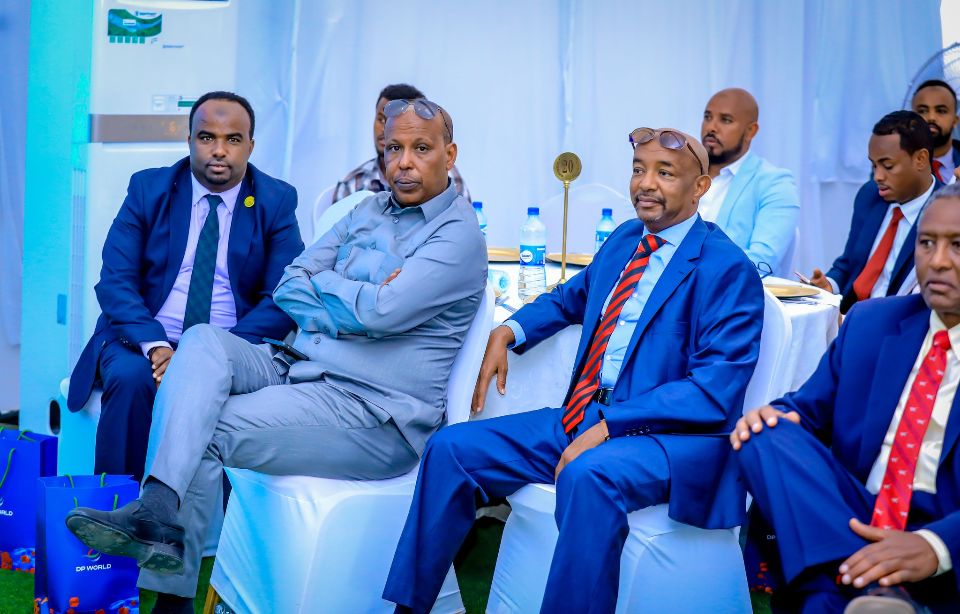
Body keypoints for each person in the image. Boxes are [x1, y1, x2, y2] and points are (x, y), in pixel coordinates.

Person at [65, 98, 487, 613]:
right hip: (297, 367)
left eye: (421, 148)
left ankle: (170, 595)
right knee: (201, 340)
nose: (404, 162)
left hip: (371, 410)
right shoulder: (368, 209)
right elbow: (290, 283)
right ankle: (157, 509)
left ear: (449, 154)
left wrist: (339, 291)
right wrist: (365, 291)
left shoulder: (458, 236)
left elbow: (382, 313)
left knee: (205, 424)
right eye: (394, 148)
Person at [383, 127, 764, 613]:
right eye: (638, 170)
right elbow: (571, 298)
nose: (645, 183)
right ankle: (411, 609)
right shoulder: (627, 239)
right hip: (588, 417)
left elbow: (713, 392)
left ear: (700, 187)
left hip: (670, 440)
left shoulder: (727, 268)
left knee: (589, 476)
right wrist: (510, 331)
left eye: (665, 173)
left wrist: (611, 426)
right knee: (451, 448)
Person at [732, 182, 960, 613]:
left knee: (822, 598)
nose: (938, 261)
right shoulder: (872, 322)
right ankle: (880, 591)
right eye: (927, 243)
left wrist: (936, 545)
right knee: (763, 432)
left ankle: (840, 588)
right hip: (853, 512)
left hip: (940, 524)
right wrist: (777, 417)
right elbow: (805, 410)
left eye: (957, 245)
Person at [66, 91, 304, 482]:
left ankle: (207, 517)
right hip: (143, 341)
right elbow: (115, 281)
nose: (219, 150)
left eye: (233, 139)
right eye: (207, 137)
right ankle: (119, 505)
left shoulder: (275, 201)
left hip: (229, 344)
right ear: (189, 140)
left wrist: (211, 355)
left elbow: (284, 296)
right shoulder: (149, 189)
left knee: (236, 398)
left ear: (250, 146)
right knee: (131, 379)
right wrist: (158, 346)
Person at [808, 111, 940, 313]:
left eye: (888, 166)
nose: (878, 176)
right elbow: (848, 262)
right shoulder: (870, 196)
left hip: (899, 321)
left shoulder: (945, 212)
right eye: (874, 165)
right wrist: (830, 286)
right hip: (850, 315)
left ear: (921, 159)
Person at [699, 88, 800, 273]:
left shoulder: (774, 183)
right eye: (708, 117)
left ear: (750, 131)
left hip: (727, 287)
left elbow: (762, 261)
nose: (711, 127)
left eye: (725, 120)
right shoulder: (685, 174)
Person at [332, 83, 470, 203]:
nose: (386, 129)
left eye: (421, 148)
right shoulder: (352, 185)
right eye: (382, 119)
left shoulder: (448, 180)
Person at [912, 79, 959, 185]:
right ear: (912, 119)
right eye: (922, 111)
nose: (931, 117)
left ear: (955, 121)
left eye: (941, 111)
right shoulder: (895, 167)